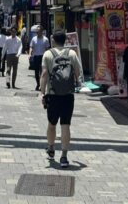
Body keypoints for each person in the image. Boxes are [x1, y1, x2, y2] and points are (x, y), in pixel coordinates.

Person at [40, 29, 82, 169]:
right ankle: (64, 156)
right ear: (65, 40)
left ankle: (51, 147)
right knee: (65, 125)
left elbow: (44, 74)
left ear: (53, 40)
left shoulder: (48, 54)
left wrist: (42, 93)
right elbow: (77, 73)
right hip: (68, 95)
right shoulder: (72, 53)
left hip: (52, 94)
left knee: (52, 124)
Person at [29, 25, 50, 91]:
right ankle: (38, 84)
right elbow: (31, 47)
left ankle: (41, 85)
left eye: (38, 31)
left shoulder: (45, 39)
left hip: (43, 57)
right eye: (36, 31)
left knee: (42, 72)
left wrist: (48, 57)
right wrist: (30, 54)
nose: (37, 32)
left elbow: (47, 49)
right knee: (36, 72)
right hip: (36, 57)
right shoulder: (34, 39)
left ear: (42, 31)